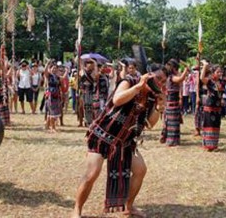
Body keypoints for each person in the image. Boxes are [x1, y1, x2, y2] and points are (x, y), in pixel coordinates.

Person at [71, 63, 168, 218]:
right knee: (92, 173)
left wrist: (159, 107)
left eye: (164, 81)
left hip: (125, 142)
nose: (160, 83)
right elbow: (117, 99)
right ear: (149, 75)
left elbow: (149, 124)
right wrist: (138, 87)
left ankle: (128, 206)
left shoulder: (152, 97)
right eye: (158, 78)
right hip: (102, 136)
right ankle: (77, 209)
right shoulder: (130, 81)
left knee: (140, 170)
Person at [160, 59, 189, 146]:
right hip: (172, 103)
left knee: (173, 122)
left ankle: (171, 139)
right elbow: (181, 79)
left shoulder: (169, 77)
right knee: (172, 122)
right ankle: (171, 140)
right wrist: (186, 68)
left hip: (172, 103)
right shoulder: (172, 77)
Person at [43, 61, 66, 133]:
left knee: (53, 112)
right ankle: (53, 128)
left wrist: (66, 72)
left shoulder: (58, 77)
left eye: (56, 68)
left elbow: (62, 81)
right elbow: (45, 71)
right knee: (52, 112)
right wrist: (47, 64)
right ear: (51, 69)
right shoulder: (49, 76)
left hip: (57, 95)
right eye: (53, 68)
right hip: (50, 95)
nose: (54, 69)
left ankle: (47, 125)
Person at [79, 59, 99, 126]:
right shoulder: (82, 72)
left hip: (90, 92)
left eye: (91, 64)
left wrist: (95, 63)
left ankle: (88, 121)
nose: (90, 65)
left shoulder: (93, 72)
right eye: (88, 64)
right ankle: (81, 121)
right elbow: (83, 78)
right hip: (83, 91)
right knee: (81, 107)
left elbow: (96, 77)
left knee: (89, 107)